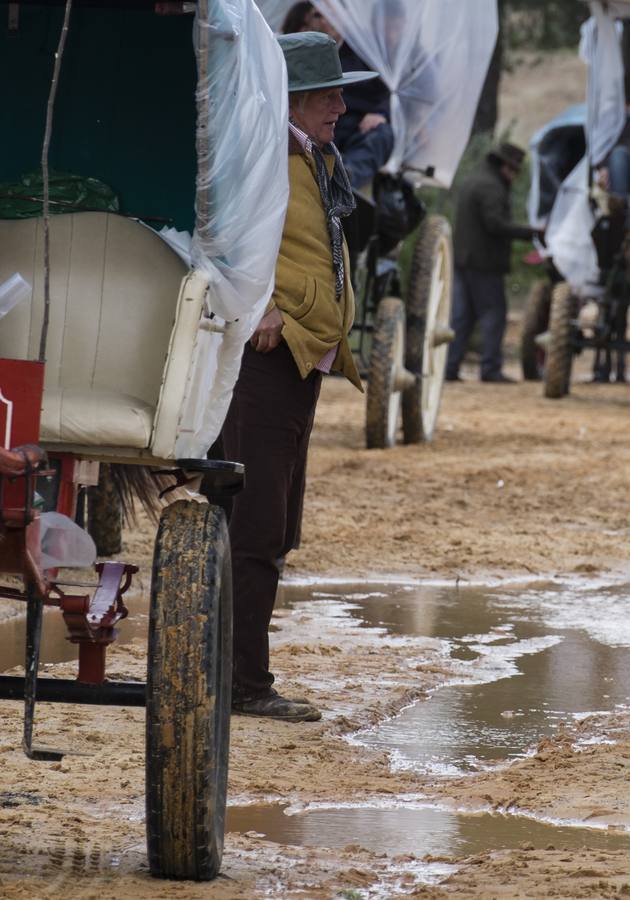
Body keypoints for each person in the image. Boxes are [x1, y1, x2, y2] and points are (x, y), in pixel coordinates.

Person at [217, 32, 373, 721]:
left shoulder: (309, 153)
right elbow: (224, 236)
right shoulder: (264, 152)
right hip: (266, 356)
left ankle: (238, 675)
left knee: (271, 525)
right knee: (255, 525)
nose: (341, 104)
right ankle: (243, 684)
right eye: (328, 93)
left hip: (299, 354)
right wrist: (264, 307)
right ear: (292, 97)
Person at [444, 142, 542, 384]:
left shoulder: (474, 180)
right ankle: (490, 369)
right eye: (515, 170)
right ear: (506, 166)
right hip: (483, 263)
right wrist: (532, 232)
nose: (516, 176)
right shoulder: (492, 187)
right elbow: (496, 224)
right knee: (493, 315)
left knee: (461, 318)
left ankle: (449, 367)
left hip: (463, 260)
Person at [282, 1, 394, 191]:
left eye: (332, 14)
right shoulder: (295, 51)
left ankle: (344, 178)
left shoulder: (365, 51)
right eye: (319, 14)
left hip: (353, 128)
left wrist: (381, 113)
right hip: (310, 128)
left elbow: (394, 92)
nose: (326, 20)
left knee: (381, 135)